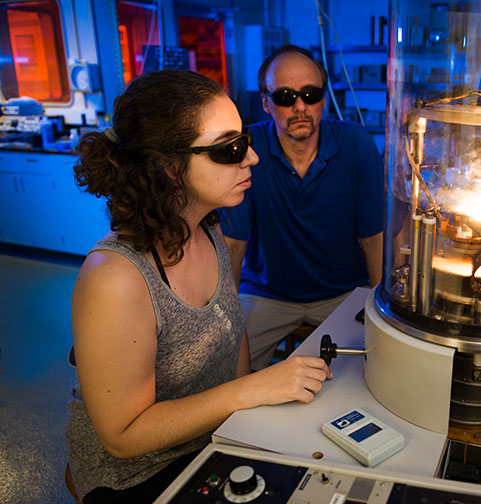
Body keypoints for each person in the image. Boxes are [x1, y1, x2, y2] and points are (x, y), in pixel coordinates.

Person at [66, 69, 333, 503]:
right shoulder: (115, 278)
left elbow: (233, 333)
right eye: (229, 149)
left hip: (214, 439)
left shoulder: (207, 228)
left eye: (243, 141)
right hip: (137, 473)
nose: (252, 159)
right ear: (170, 168)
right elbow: (123, 436)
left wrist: (251, 419)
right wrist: (249, 392)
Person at [218, 45, 384, 370]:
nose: (300, 107)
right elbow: (233, 246)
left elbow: (372, 237)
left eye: (310, 94)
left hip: (341, 293)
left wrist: (378, 309)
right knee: (227, 369)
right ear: (265, 102)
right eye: (285, 96)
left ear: (323, 98)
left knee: (368, 369)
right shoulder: (249, 150)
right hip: (266, 293)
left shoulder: (356, 146)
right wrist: (228, 318)